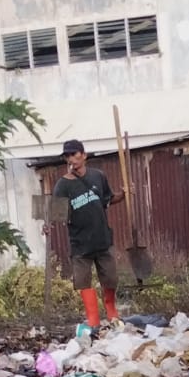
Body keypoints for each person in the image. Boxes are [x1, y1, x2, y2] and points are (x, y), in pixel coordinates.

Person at [52, 139, 124, 330]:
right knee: (83, 282)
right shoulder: (62, 185)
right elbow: (56, 215)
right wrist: (48, 225)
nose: (71, 159)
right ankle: (93, 320)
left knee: (110, 279)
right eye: (67, 156)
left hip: (102, 239)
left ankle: (111, 312)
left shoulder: (97, 176)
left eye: (74, 154)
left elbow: (108, 199)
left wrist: (123, 194)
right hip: (80, 243)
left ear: (84, 155)